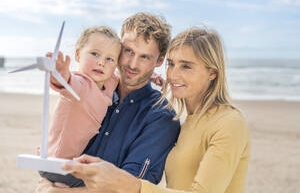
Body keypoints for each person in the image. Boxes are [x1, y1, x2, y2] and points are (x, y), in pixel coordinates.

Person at [58, 28, 251, 193]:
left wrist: (131, 184)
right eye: (172, 64)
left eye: (186, 66)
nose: (174, 74)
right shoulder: (190, 122)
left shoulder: (229, 122)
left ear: (212, 73)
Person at [36, 12, 181, 191]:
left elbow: (131, 186)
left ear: (159, 61)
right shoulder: (96, 86)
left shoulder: (162, 118)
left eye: (145, 57)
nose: (133, 64)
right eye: (129, 51)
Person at [39, 26, 121, 187]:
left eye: (110, 59)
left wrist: (151, 76)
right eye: (95, 54)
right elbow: (69, 84)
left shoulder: (110, 82)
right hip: (56, 164)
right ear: (78, 54)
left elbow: (120, 76)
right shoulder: (81, 84)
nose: (101, 62)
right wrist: (61, 76)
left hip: (74, 162)